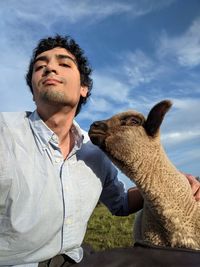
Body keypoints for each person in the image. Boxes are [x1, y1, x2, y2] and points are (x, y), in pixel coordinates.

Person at [0, 35, 199, 267]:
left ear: (84, 88)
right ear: (33, 92)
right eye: (39, 67)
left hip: (78, 261)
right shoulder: (5, 134)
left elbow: (121, 203)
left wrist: (173, 182)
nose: (50, 68)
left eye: (63, 64)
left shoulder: (92, 152)